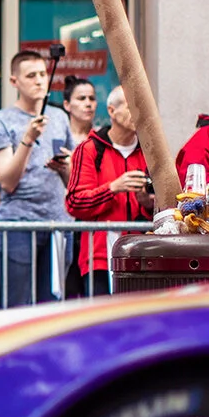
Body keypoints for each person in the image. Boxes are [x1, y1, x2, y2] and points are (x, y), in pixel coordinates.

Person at [0, 48, 73, 306]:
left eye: (43, 74)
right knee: (18, 305)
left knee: (53, 305)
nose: (39, 80)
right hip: (19, 226)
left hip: (59, 224)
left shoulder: (59, 117)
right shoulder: (1, 121)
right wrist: (28, 139)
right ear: (14, 82)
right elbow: (7, 181)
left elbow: (72, 182)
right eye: (31, 75)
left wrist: (65, 167)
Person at [65, 86, 151, 294]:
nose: (137, 112)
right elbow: (75, 203)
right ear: (112, 111)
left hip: (143, 253)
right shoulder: (90, 149)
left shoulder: (150, 150)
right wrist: (113, 188)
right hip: (100, 256)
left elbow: (169, 204)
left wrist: (148, 202)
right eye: (131, 106)